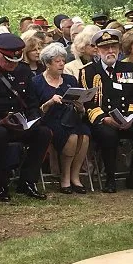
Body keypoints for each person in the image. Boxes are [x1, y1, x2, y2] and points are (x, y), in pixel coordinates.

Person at [0, 33, 51, 201]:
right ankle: (0, 184)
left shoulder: (23, 70)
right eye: (8, 61)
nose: (12, 65)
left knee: (43, 132)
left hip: (19, 122)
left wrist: (33, 118)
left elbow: (31, 102)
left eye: (15, 61)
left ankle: (28, 181)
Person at [81, 29, 133, 193]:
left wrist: (129, 117)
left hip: (127, 118)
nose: (110, 51)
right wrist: (104, 118)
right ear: (98, 50)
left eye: (114, 47)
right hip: (103, 120)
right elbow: (87, 102)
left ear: (119, 49)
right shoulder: (88, 71)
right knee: (108, 135)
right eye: (105, 48)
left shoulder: (129, 68)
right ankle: (110, 178)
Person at [33, 43, 90, 194]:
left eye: (63, 60)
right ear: (47, 63)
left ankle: (75, 176)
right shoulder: (37, 82)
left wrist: (80, 106)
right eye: (57, 61)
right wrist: (50, 102)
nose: (61, 64)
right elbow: (35, 111)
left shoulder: (70, 79)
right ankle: (65, 177)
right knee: (70, 137)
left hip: (70, 117)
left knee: (84, 135)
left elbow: (81, 107)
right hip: (49, 120)